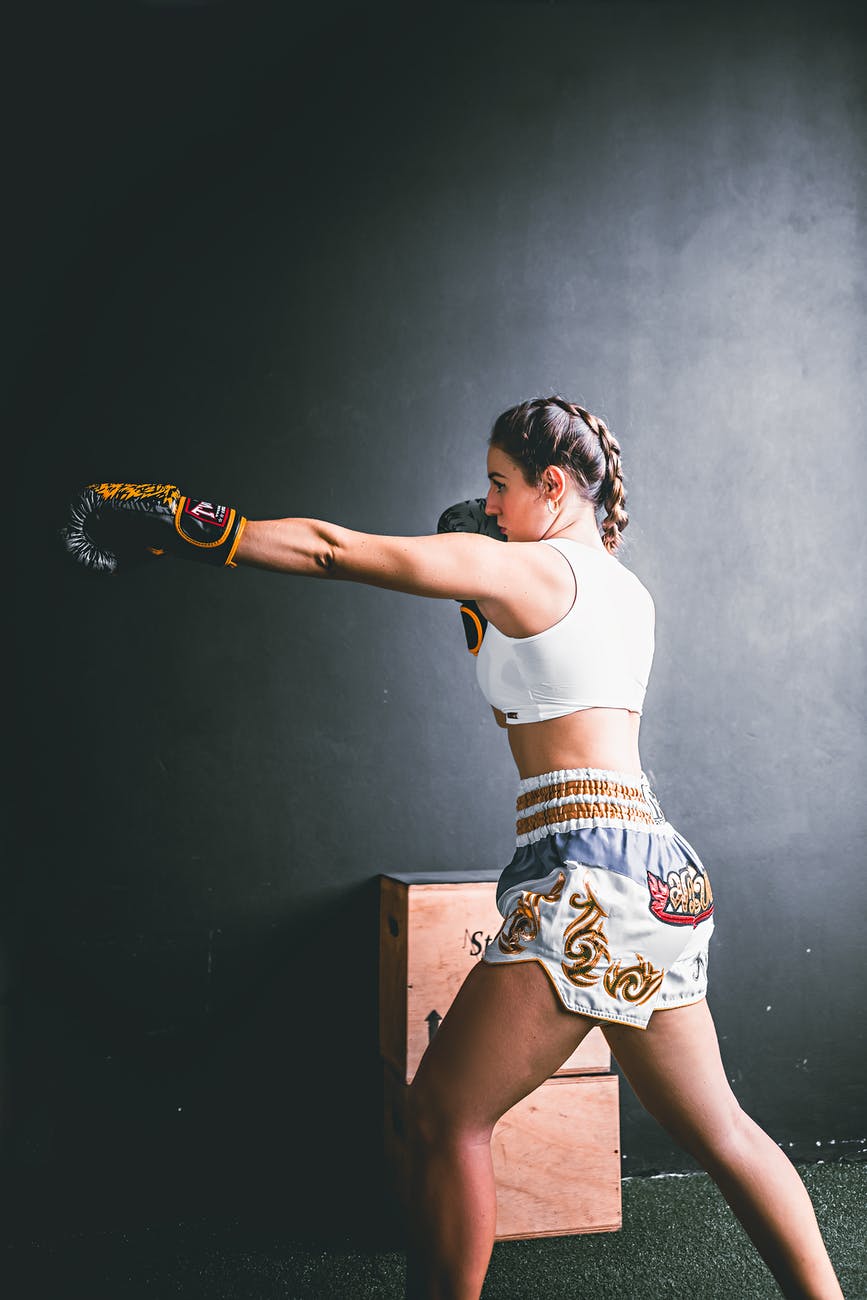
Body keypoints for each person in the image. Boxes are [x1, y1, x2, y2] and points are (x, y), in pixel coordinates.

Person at [60, 396, 843, 1300]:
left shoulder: (529, 569)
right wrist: (478, 589)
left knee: (444, 1118)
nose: (491, 502)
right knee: (723, 1131)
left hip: (586, 873)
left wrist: (194, 526)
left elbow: (330, 548)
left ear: (554, 486)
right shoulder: (620, 589)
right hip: (655, 867)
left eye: (501, 484)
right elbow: (535, 673)